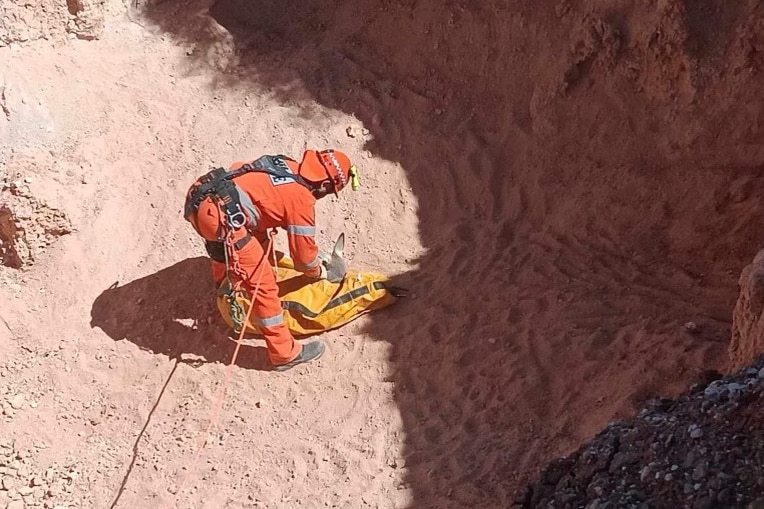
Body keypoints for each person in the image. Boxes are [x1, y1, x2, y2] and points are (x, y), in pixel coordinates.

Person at [183, 149, 358, 371]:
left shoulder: (284, 163)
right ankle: (284, 353)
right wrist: (321, 273)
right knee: (264, 285)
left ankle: (224, 287)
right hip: (219, 217)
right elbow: (303, 260)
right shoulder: (301, 199)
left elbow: (248, 177)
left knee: (247, 240)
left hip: (202, 195)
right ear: (324, 185)